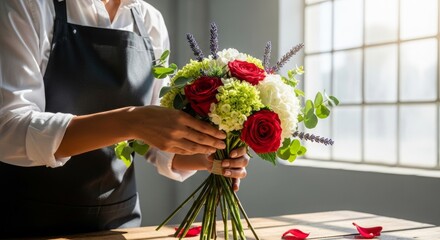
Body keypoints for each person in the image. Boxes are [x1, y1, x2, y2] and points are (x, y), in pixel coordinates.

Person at [0, 0, 249, 238]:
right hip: (28, 220)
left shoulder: (148, 20)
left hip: (118, 224)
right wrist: (131, 122)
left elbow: (155, 135)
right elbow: (8, 127)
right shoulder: (26, 6)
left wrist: (207, 153)